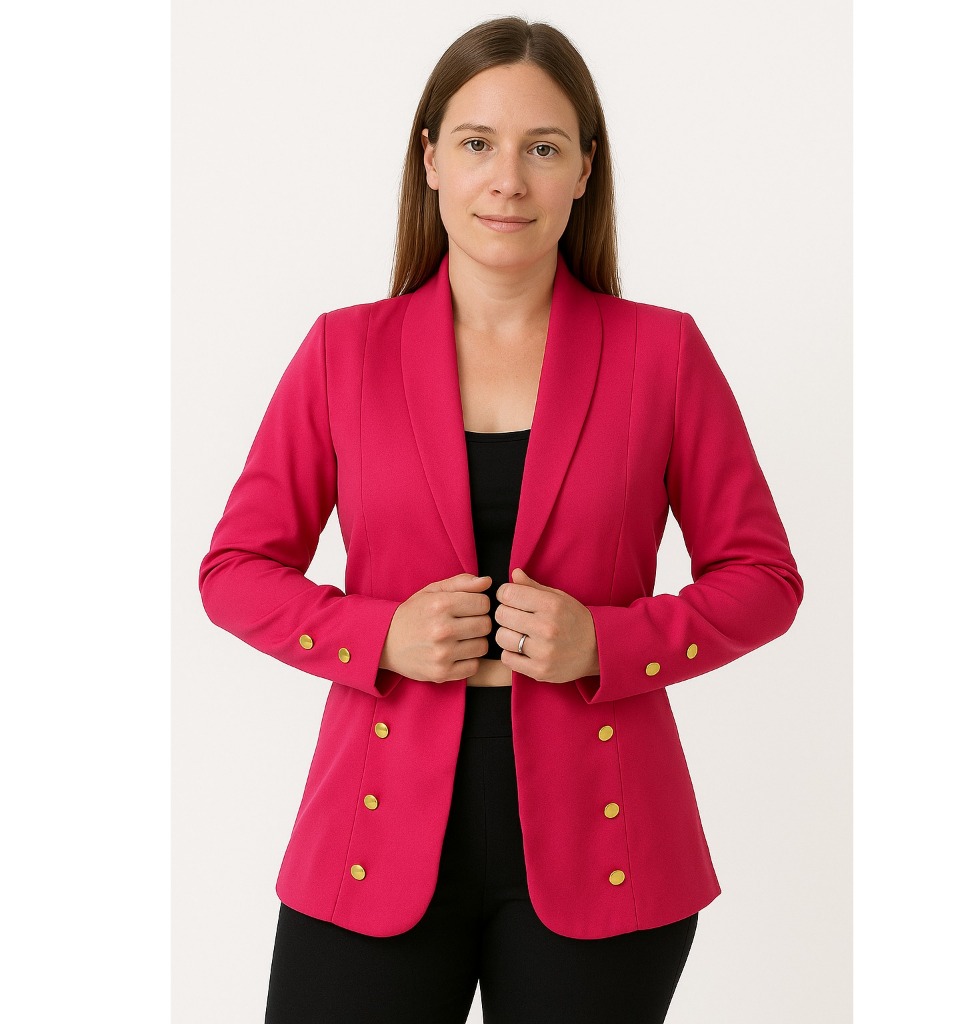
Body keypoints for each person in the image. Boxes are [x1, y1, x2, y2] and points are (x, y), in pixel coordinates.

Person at [198, 15, 804, 1024]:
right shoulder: (343, 352)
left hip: (607, 842)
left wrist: (605, 642)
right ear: (431, 159)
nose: (507, 180)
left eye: (543, 148)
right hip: (372, 831)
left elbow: (763, 579)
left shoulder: (663, 356)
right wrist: (377, 634)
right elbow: (234, 569)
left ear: (585, 170)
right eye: (477, 142)